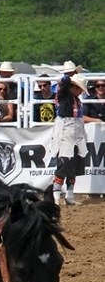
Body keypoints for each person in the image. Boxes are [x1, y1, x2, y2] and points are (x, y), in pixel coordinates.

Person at [50, 74, 88, 206]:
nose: (81, 91)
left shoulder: (76, 100)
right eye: (79, 88)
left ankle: (69, 196)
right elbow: (64, 83)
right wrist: (69, 78)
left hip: (76, 136)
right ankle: (56, 197)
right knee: (63, 165)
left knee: (74, 166)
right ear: (72, 87)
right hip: (65, 136)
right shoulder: (64, 96)